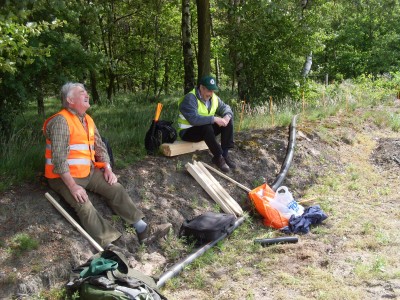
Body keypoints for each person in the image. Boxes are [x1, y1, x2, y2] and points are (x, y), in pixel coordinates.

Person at [43, 82, 171, 248]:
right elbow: (59, 160)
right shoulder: (61, 121)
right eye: (81, 92)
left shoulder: (87, 119)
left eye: (86, 91)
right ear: (70, 99)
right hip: (63, 177)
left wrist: (107, 168)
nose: (86, 94)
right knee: (84, 204)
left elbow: (100, 147)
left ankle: (143, 230)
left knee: (115, 188)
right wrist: (73, 187)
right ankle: (111, 245)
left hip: (88, 172)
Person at [178, 75, 236, 172]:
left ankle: (225, 155)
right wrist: (214, 119)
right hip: (188, 132)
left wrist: (227, 116)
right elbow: (194, 119)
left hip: (204, 129)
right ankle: (218, 157)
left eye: (213, 91)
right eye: (209, 90)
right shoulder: (190, 98)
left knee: (227, 121)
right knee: (207, 127)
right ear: (201, 88)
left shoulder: (214, 98)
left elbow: (226, 108)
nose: (211, 93)